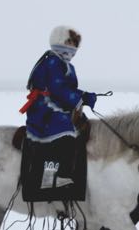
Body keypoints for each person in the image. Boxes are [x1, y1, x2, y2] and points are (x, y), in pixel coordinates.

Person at [19, 25, 99, 201]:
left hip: (55, 105)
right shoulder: (53, 61)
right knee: (64, 133)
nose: (73, 48)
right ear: (59, 41)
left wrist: (83, 97)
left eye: (75, 44)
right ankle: (49, 177)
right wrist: (82, 98)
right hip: (45, 109)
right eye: (70, 42)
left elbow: (66, 89)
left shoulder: (62, 63)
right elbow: (58, 89)